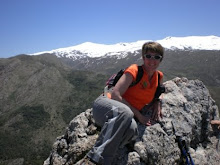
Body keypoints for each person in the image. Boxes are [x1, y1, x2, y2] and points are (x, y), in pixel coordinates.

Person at [79, 41, 164, 165]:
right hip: (105, 105)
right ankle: (96, 159)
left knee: (132, 130)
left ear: (161, 59)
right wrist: (139, 116)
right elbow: (115, 94)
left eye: (156, 57)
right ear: (143, 57)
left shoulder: (158, 76)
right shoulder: (134, 70)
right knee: (125, 112)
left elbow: (160, 91)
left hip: (120, 116)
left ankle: (108, 146)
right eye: (148, 56)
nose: (152, 60)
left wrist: (157, 101)